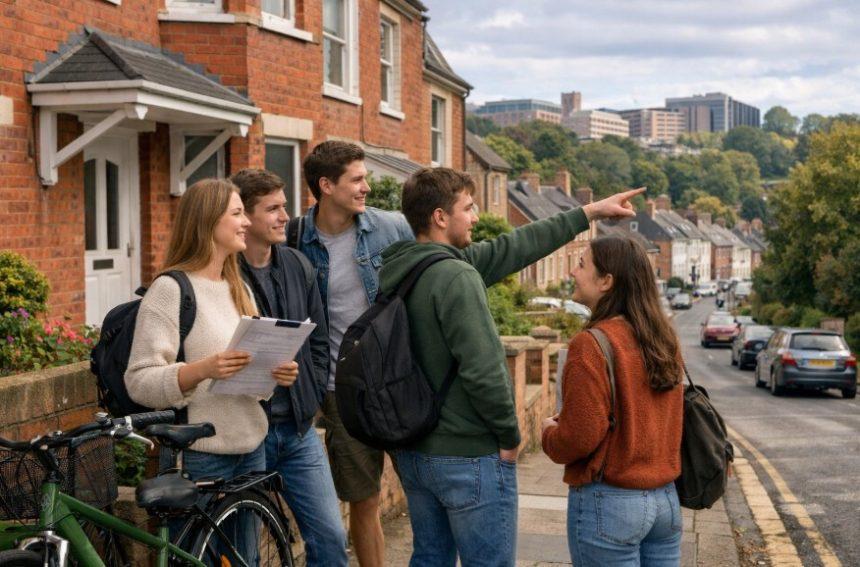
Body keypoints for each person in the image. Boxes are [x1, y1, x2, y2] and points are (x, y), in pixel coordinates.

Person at [378, 167, 642, 567]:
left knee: (429, 558)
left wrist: (587, 212)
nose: (477, 216)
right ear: (440, 217)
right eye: (468, 207)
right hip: (467, 455)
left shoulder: (402, 271)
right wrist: (509, 434)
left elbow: (516, 246)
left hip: (416, 453)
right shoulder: (456, 275)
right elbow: (484, 368)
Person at [125, 178, 298, 564]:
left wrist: (275, 373)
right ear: (207, 221)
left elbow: (248, 377)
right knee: (191, 561)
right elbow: (139, 380)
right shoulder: (170, 290)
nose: (246, 224)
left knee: (246, 561)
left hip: (250, 447)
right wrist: (202, 369)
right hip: (200, 454)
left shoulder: (238, 287)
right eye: (237, 214)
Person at [296, 141, 413, 567]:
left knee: (426, 494)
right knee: (363, 502)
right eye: (357, 179)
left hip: (398, 388)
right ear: (326, 185)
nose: (366, 187)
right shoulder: (295, 240)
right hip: (340, 394)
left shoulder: (392, 228)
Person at [542, 235, 685, 567]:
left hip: (611, 503)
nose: (572, 272)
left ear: (606, 281)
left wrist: (549, 434)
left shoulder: (591, 344)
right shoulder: (665, 340)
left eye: (581, 264)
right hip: (665, 502)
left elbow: (580, 436)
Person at [230, 168, 349, 567]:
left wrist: (310, 391)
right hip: (249, 431)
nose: (285, 217)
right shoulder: (224, 272)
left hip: (297, 430)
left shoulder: (298, 265)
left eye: (285, 206)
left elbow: (317, 341)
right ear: (245, 216)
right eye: (273, 209)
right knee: (244, 550)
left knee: (331, 536)